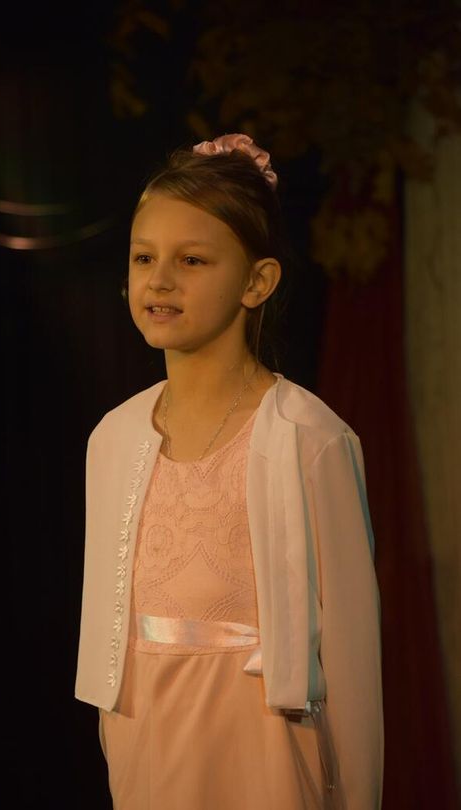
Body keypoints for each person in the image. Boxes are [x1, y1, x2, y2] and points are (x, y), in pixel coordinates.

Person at [75, 133, 383, 809]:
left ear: (256, 281)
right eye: (144, 257)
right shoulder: (114, 440)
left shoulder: (310, 440)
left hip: (263, 758)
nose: (160, 280)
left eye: (191, 260)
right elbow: (112, 641)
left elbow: (354, 664)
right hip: (148, 754)